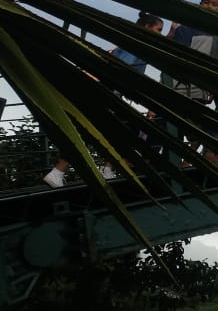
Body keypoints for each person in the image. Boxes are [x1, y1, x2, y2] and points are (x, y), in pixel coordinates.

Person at [44, 12, 165, 188]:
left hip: (102, 92)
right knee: (122, 130)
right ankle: (100, 169)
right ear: (146, 27)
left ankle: (63, 171)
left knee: (99, 130)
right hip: (107, 93)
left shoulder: (126, 43)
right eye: (158, 30)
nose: (160, 34)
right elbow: (118, 66)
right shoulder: (134, 46)